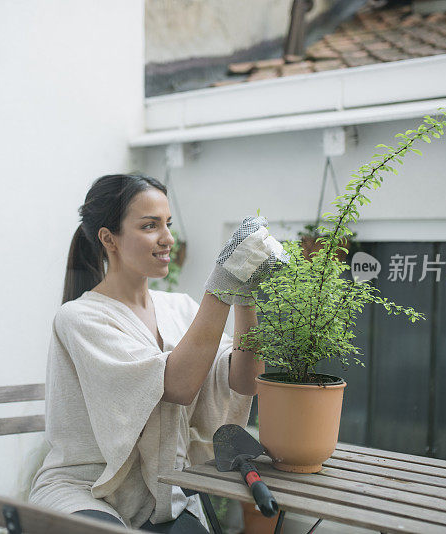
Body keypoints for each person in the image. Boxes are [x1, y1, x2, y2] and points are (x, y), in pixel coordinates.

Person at [29, 173, 287, 532]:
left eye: (167, 223)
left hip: (163, 495)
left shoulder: (179, 309)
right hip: (85, 492)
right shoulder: (79, 318)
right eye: (150, 226)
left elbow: (245, 379)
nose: (167, 238)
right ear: (109, 239)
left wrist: (245, 296)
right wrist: (222, 284)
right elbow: (178, 384)